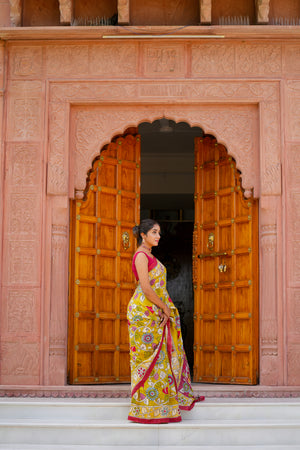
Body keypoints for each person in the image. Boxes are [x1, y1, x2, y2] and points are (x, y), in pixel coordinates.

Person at [127, 219, 204, 423]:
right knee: (147, 359)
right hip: (144, 313)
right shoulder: (141, 256)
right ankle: (146, 407)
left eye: (159, 232)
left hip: (154, 310)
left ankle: (162, 403)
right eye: (154, 232)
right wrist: (164, 307)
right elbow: (146, 288)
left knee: (160, 359)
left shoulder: (150, 255)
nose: (158, 236)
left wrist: (164, 309)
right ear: (143, 235)